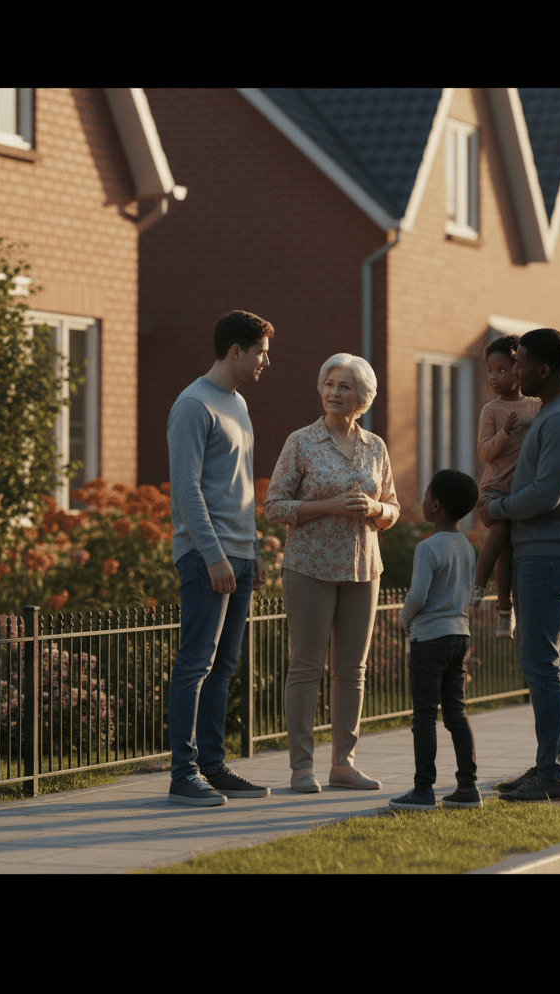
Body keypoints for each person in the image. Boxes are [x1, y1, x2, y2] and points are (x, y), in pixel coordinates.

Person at [264, 353, 400, 794]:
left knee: (352, 670)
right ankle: (301, 767)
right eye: (328, 384)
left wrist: (376, 509)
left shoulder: (375, 446)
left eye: (344, 387)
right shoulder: (301, 442)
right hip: (310, 567)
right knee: (306, 667)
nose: (333, 393)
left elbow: (394, 508)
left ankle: (344, 763)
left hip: (363, 568)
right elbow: (274, 506)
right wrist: (329, 507)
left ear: (362, 397)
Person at [479, 327, 560, 803]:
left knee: (541, 664)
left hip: (551, 550)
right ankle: (547, 764)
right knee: (539, 663)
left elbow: (547, 494)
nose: (515, 369)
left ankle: (553, 774)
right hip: (542, 548)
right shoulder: (553, 410)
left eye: (522, 363)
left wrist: (498, 510)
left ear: (544, 370)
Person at [167, 310, 274, 807]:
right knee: (195, 663)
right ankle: (183, 773)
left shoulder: (239, 403)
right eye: (260, 352)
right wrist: (212, 556)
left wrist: (249, 549)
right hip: (207, 556)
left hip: (240, 553)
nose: (264, 362)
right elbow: (187, 489)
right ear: (236, 352)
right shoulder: (193, 405)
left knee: (224, 665)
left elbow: (238, 484)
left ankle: (212, 765)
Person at [390, 469, 482, 811]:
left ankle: (422, 789)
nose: (423, 501)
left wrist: (404, 618)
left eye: (427, 496)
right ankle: (467, 787)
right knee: (456, 712)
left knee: (424, 715)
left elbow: (417, 595)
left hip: (430, 638)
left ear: (437, 505)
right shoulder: (466, 547)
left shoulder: (428, 547)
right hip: (460, 635)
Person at [471, 334, 541, 639]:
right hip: (494, 489)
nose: (495, 376)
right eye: (490, 370)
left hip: (522, 491)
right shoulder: (491, 410)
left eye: (502, 369)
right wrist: (504, 434)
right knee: (499, 530)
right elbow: (484, 452)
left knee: (508, 552)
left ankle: (504, 613)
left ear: (519, 368)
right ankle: (476, 586)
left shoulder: (536, 405)